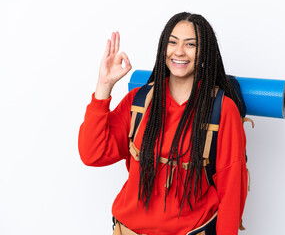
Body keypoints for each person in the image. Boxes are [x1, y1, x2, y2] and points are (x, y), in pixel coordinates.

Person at [78, 12, 248, 235]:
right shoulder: (139, 101)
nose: (179, 51)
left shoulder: (222, 111)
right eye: (172, 42)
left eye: (191, 44)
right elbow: (93, 154)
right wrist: (104, 86)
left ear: (204, 53)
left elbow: (232, 190)